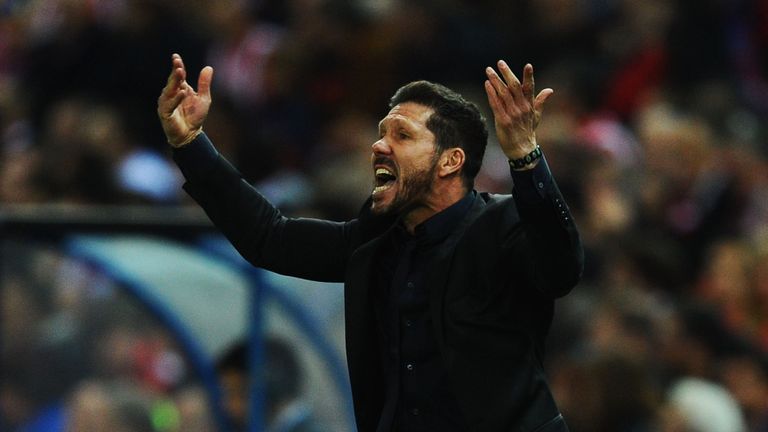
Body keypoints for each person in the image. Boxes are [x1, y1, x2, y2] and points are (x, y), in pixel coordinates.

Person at [158, 53, 583, 432]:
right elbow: (270, 237)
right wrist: (189, 144)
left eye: (401, 134)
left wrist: (526, 157)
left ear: (450, 161)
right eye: (381, 132)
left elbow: (562, 267)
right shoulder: (374, 242)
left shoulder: (503, 224)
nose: (378, 145)